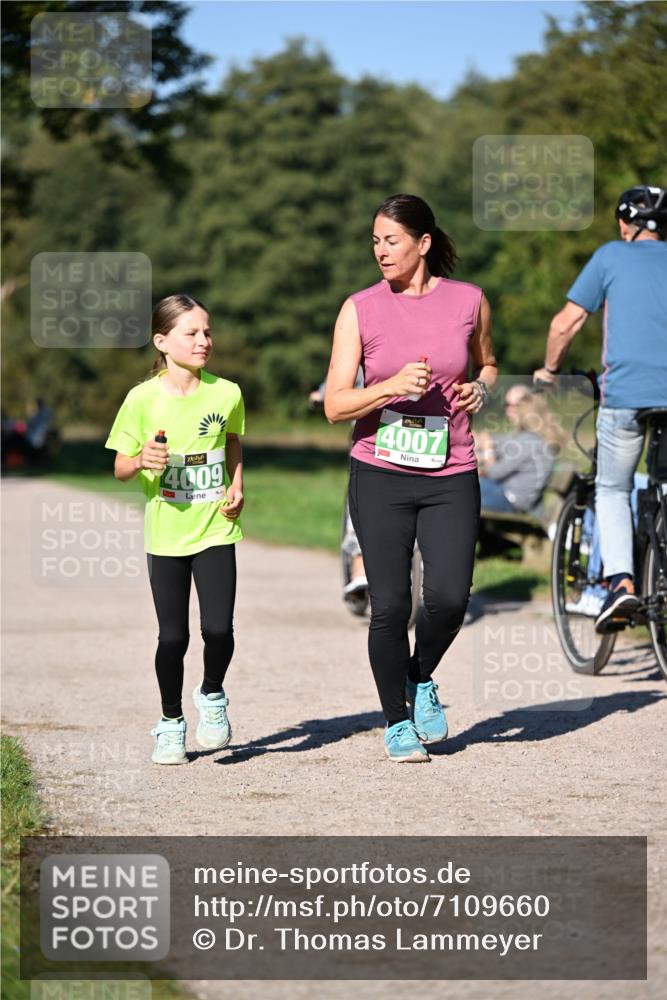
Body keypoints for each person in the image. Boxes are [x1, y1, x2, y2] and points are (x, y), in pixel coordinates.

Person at [325, 193, 497, 762]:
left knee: (448, 598)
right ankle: (397, 723)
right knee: (391, 605)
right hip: (380, 472)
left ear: (423, 243)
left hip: (451, 470)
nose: (380, 251)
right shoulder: (360, 309)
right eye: (374, 241)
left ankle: (419, 677)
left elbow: (487, 361)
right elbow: (335, 404)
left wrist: (482, 388)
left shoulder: (469, 301)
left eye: (390, 240)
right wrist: (389, 387)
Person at [105, 294, 245, 764]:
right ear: (162, 341)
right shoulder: (141, 399)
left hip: (215, 529)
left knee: (219, 630)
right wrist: (142, 458)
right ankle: (169, 723)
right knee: (173, 638)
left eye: (207, 331)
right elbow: (121, 467)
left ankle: (211, 694)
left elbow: (231, 441)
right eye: (192, 333)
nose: (204, 340)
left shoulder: (226, 392)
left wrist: (237, 484)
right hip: (166, 535)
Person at [533, 185, 667, 633]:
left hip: (625, 398)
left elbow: (564, 323)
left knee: (612, 487)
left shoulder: (611, 256)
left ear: (625, 224)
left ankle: (623, 584)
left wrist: (549, 371)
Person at [476, 384, 566, 514]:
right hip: (511, 497)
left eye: (517, 406)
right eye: (508, 405)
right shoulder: (532, 437)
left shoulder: (529, 440)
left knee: (462, 484)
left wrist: (488, 448)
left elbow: (494, 473)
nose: (510, 410)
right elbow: (501, 444)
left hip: (512, 500)